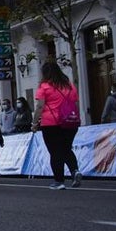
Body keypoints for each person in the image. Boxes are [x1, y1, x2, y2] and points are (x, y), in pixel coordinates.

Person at [32, 60, 82, 190]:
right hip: (69, 122)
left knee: (55, 152)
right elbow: (75, 104)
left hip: (51, 123)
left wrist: (35, 123)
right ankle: (74, 170)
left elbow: (40, 106)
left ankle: (59, 181)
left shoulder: (44, 87)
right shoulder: (69, 86)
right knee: (66, 149)